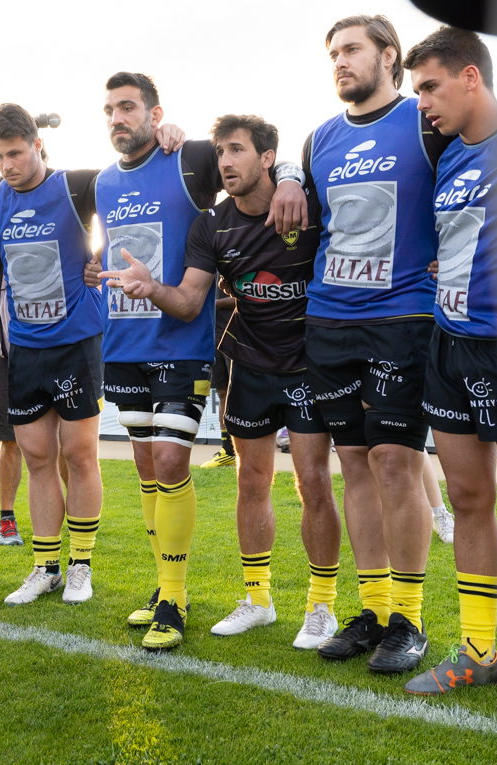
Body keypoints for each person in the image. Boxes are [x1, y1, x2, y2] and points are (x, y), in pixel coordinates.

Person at [102, 114, 345, 650]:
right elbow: (190, 303)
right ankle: (257, 598)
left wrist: (291, 179)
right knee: (251, 482)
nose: (226, 162)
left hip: (308, 367)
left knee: (313, 482)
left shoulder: (307, 206)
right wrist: (151, 288)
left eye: (237, 150)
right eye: (220, 153)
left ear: (265, 158)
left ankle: (321, 606)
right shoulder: (211, 225)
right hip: (249, 366)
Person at [300, 15, 457, 675]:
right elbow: (305, 211)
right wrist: (284, 171)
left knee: (397, 462)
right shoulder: (318, 141)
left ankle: (410, 620)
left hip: (404, 319)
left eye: (352, 49)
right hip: (329, 320)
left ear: (388, 56)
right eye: (333, 52)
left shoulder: (424, 123)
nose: (340, 61)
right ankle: (372, 607)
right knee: (355, 465)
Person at [398, 27, 497, 696]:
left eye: (430, 86)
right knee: (470, 497)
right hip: (449, 345)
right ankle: (479, 649)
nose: (422, 102)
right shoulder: (447, 155)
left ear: (471, 76)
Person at [0, 103, 108, 605]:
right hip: (24, 346)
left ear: (37, 144)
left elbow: (130, 199)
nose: (8, 164)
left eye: (15, 152)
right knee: (36, 457)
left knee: (78, 453)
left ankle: (80, 566)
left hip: (76, 340)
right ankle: (45, 566)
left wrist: (105, 258)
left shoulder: (77, 185)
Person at [0, 268, 25, 546]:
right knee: (9, 439)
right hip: (5, 357)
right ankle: (6, 518)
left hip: (55, 353)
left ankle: (76, 514)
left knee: (62, 440)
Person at [198, 288, 238, 468]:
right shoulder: (204, 267)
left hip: (236, 334)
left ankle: (243, 448)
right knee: (222, 392)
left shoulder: (236, 263)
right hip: (212, 335)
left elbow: (252, 298)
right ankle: (228, 450)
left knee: (238, 391)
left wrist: (217, 304)